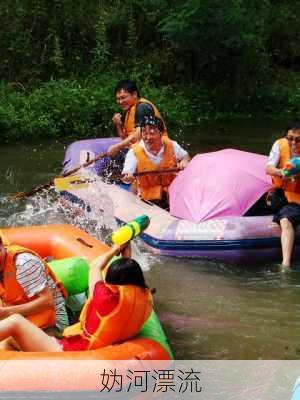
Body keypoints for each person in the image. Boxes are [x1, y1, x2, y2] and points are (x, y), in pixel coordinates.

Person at [0, 243, 152, 352]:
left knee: (15, 322)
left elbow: (95, 266)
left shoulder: (105, 298)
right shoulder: (145, 299)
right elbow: (126, 282)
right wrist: (126, 254)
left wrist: (115, 248)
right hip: (90, 348)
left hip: (69, 351)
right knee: (8, 340)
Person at [0, 231, 68, 334]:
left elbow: (47, 302)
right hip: (22, 317)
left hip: (53, 323)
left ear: (1, 246)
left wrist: (8, 312)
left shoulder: (23, 263)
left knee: (6, 341)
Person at [122, 115, 190, 209]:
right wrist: (127, 177)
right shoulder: (134, 152)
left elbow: (185, 157)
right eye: (144, 133)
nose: (148, 137)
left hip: (171, 195)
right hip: (147, 200)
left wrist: (184, 162)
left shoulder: (171, 145)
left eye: (152, 133)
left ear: (161, 134)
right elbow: (127, 173)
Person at [266, 121, 300, 268]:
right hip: (280, 195)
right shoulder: (279, 145)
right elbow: (268, 168)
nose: (293, 142)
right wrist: (281, 172)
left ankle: (285, 264)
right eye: (290, 138)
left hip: (297, 199)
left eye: (298, 140)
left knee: (285, 220)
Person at [107, 80, 168, 159]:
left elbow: (139, 135)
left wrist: (118, 147)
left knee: (118, 157)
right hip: (141, 150)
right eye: (118, 99)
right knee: (115, 157)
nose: (120, 101)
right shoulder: (128, 111)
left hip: (158, 152)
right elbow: (125, 139)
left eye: (123, 97)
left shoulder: (143, 107)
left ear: (134, 94)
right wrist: (118, 125)